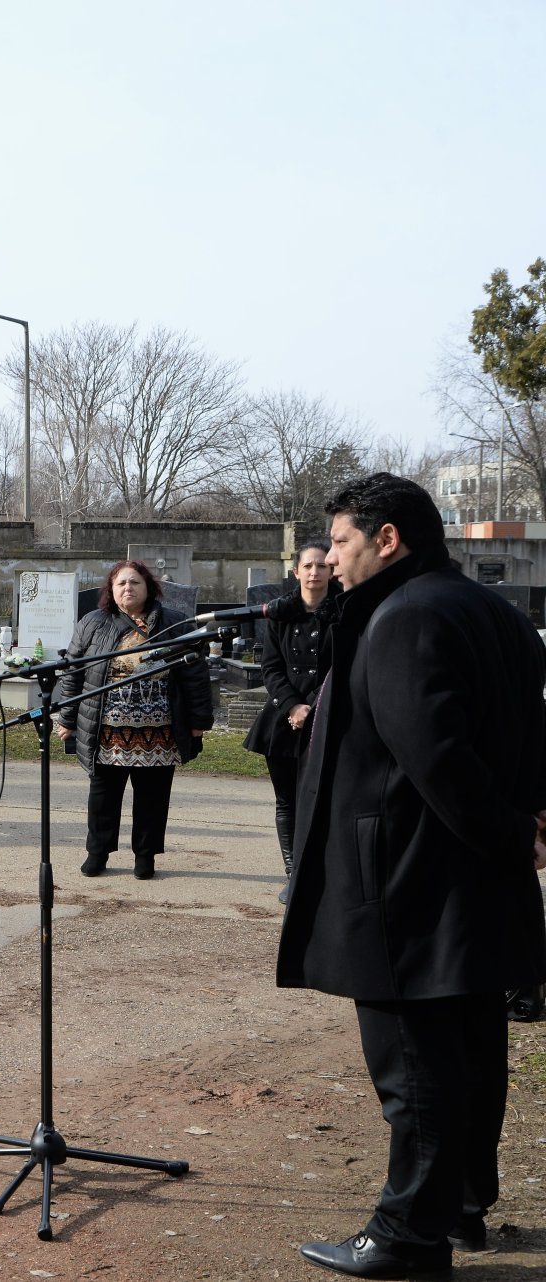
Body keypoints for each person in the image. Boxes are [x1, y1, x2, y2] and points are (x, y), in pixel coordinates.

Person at [279, 473, 546, 1278]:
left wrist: (512, 831)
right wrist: (529, 826)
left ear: (387, 539)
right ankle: (460, 1208)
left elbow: (437, 758)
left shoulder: (402, 615)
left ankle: (406, 1235)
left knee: (416, 1067)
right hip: (475, 884)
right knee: (471, 1052)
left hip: (407, 885)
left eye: (343, 542)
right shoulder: (496, 613)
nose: (332, 559)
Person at [53, 560, 212, 881]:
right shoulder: (93, 623)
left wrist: (199, 720)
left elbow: (195, 675)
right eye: (121, 583)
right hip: (107, 730)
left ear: (149, 587)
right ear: (111, 590)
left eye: (135, 582)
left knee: (153, 798)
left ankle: (145, 855)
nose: (128, 588)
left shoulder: (175, 623)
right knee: (103, 797)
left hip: (160, 732)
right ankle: (97, 852)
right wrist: (67, 718)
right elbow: (73, 673)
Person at [240, 539, 337, 898]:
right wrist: (294, 707)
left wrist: (312, 707)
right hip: (284, 718)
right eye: (308, 566)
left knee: (324, 799)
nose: (314, 572)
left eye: (322, 565)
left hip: (329, 713)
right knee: (287, 801)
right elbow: (271, 667)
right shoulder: (281, 614)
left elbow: (342, 665)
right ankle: (293, 873)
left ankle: (322, 871)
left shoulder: (343, 611)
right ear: (296, 572)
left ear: (331, 570)